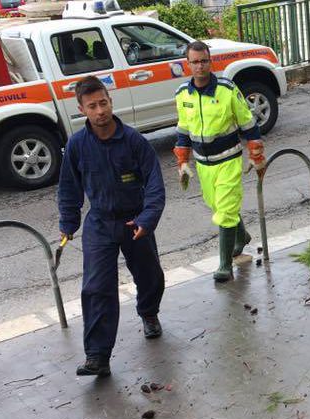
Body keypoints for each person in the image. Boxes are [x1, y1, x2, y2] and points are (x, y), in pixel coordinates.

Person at [58, 76, 166, 377]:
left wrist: (147, 220)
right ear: (82, 109)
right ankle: (98, 356)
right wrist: (68, 223)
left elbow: (156, 186)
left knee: (150, 275)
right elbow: (69, 188)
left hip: (135, 221)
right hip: (100, 223)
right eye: (92, 106)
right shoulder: (77, 145)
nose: (99, 111)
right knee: (96, 288)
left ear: (110, 101)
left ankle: (149, 313)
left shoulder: (133, 141)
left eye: (103, 103)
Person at [172, 41, 266, 283]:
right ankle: (241, 236)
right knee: (218, 206)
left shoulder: (227, 89)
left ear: (209, 61)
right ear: (188, 65)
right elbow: (183, 131)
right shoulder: (183, 94)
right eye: (195, 62)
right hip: (204, 165)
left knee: (224, 211)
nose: (200, 66)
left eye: (204, 61)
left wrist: (256, 155)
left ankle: (225, 264)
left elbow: (248, 124)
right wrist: (183, 161)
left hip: (228, 160)